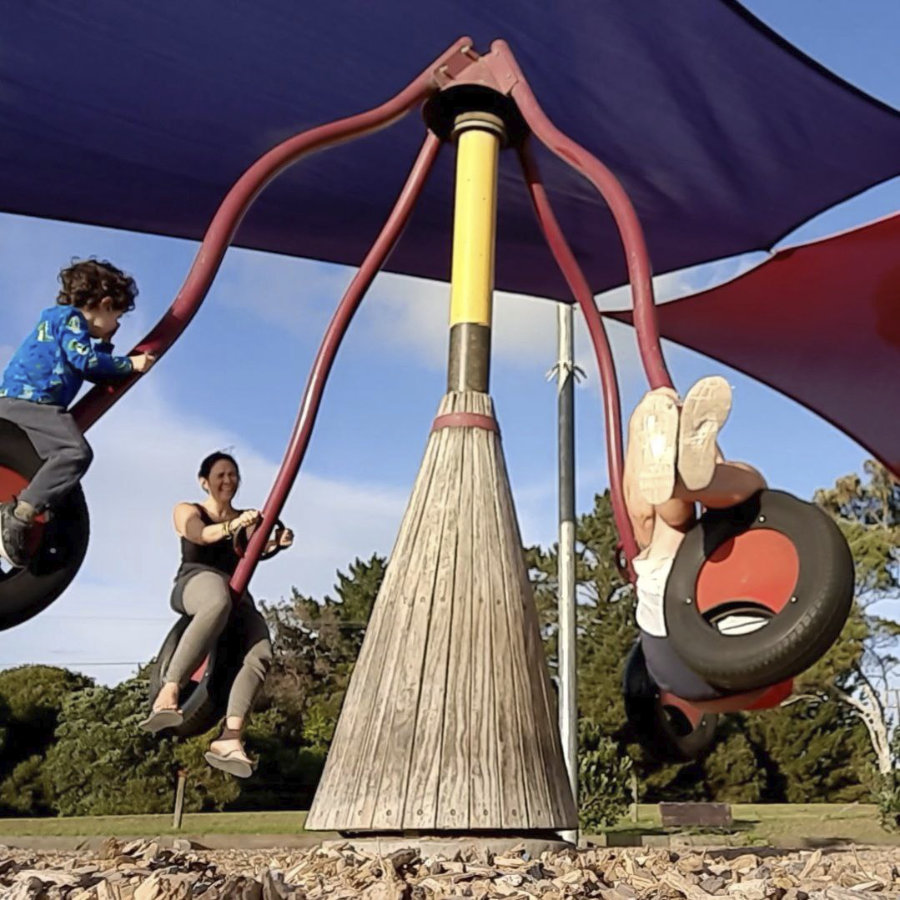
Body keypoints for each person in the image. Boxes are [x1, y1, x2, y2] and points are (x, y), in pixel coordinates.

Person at [142, 451, 293, 778]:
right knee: (216, 602)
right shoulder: (188, 510)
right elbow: (200, 534)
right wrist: (233, 525)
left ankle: (231, 737)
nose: (228, 481)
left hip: (235, 591)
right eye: (220, 475)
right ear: (204, 481)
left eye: (233, 475)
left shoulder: (246, 519)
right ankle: (169, 691)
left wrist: (276, 541)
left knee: (261, 651)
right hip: (196, 581)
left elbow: (258, 545)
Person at [0, 258, 156, 567]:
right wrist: (131, 363)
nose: (117, 325)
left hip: (18, 402)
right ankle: (20, 514)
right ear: (105, 304)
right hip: (33, 402)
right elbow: (86, 363)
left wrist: (108, 348)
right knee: (74, 453)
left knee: (58, 457)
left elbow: (91, 367)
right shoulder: (70, 319)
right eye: (118, 316)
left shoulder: (61, 323)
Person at [623, 375, 767, 705]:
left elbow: (643, 515)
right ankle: (683, 476)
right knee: (747, 489)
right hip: (740, 657)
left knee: (742, 493)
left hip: (677, 651)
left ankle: (679, 476)